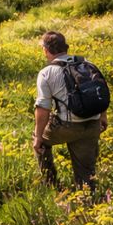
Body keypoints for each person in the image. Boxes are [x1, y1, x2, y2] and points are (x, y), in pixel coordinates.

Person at [33, 31, 108, 190]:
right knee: (86, 176)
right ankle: (88, 201)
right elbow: (99, 90)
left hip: (67, 127)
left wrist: (38, 137)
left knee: (40, 143)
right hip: (92, 123)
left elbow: (43, 109)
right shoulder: (88, 64)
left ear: (46, 50)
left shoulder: (46, 73)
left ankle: (51, 184)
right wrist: (102, 116)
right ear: (65, 48)